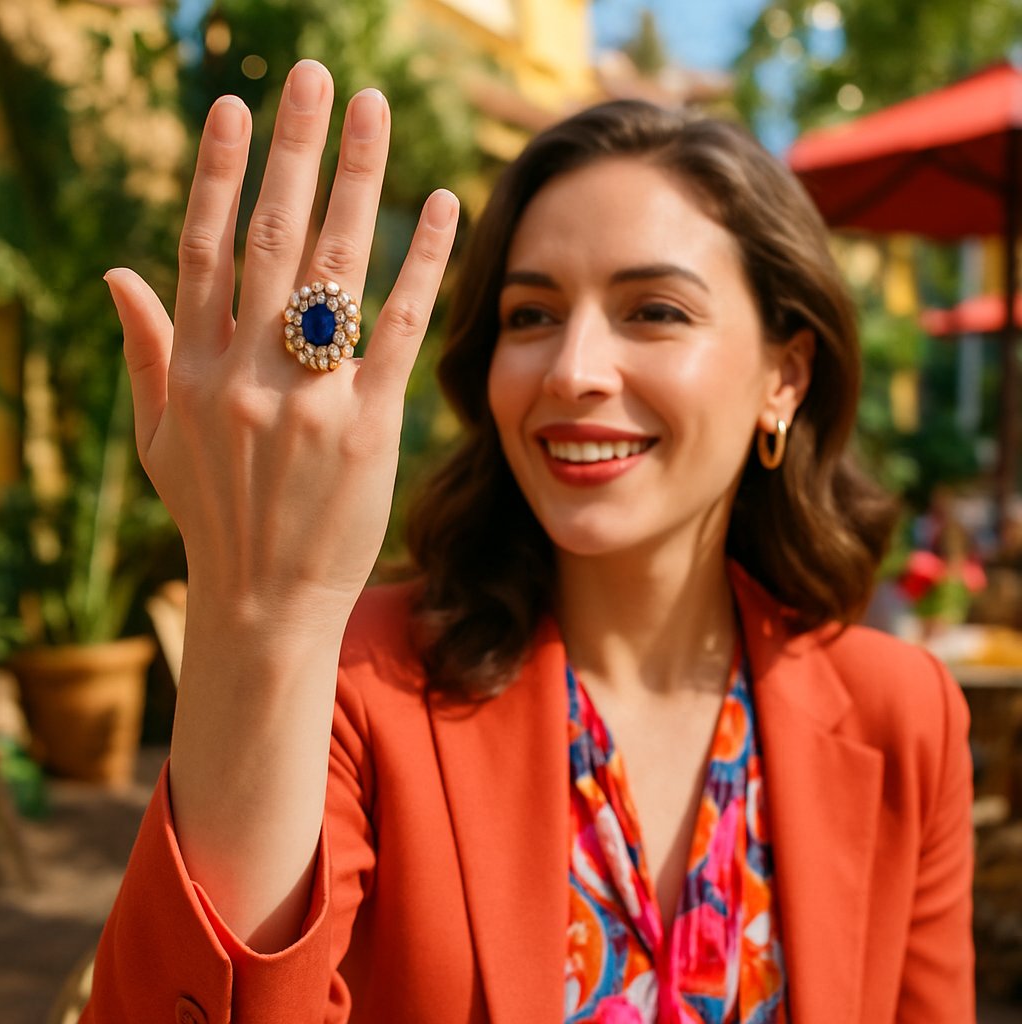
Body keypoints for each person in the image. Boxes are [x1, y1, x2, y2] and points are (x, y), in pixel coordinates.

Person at [85, 59, 974, 1024]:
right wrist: (259, 611)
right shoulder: (356, 690)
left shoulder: (904, 718)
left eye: (655, 311)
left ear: (785, 377)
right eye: (532, 315)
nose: (574, 368)